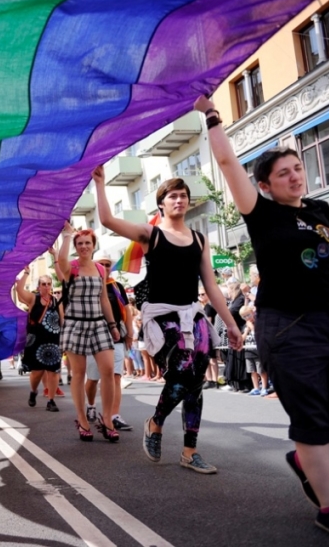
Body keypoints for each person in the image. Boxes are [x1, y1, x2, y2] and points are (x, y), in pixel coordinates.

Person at [196, 95, 329, 540]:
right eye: (283, 173)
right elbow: (226, 160)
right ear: (266, 185)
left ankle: (305, 460)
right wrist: (212, 115)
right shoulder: (261, 212)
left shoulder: (321, 211)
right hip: (289, 326)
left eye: (297, 168)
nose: (294, 176)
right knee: (311, 418)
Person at [94, 162, 241, 474]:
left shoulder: (200, 239)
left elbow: (211, 286)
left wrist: (229, 323)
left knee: (197, 384)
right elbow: (107, 219)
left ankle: (190, 452)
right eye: (173, 196)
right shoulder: (151, 234)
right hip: (162, 317)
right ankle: (155, 422)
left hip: (193, 315)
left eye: (183, 195)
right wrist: (100, 185)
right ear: (161, 203)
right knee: (183, 372)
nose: (179, 200)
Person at [57, 226, 121, 442]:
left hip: (98, 324)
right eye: (80, 243)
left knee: (109, 370)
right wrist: (66, 236)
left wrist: (112, 325)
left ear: (93, 246)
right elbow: (61, 260)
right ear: (76, 247)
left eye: (87, 243)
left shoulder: (100, 270)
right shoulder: (71, 268)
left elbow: (103, 298)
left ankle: (107, 419)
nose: (84, 246)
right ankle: (82, 420)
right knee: (79, 373)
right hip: (75, 325)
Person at [87, 251, 134, 431]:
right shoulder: (89, 284)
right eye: (102, 264)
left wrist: (129, 334)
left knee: (116, 376)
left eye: (108, 264)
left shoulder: (117, 286)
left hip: (116, 338)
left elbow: (127, 310)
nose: (105, 268)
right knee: (93, 378)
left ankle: (114, 415)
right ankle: (91, 405)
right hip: (93, 337)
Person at [15, 270, 63, 412]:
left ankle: (51, 400)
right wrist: (26, 273)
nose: (46, 287)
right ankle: (34, 391)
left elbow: (62, 319)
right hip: (36, 340)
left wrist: (64, 338)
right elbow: (19, 289)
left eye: (49, 284)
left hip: (53, 340)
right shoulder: (33, 299)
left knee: (54, 371)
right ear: (38, 286)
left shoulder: (56, 301)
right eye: (43, 284)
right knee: (37, 372)